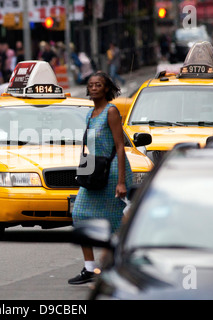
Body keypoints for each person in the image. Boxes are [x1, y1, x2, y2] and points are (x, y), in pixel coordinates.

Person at [68, 72, 133, 285]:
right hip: (96, 170)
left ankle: (118, 266)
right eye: (91, 85)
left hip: (114, 171)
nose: (94, 88)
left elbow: (120, 145)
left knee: (115, 222)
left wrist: (121, 181)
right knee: (79, 213)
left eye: (98, 85)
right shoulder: (90, 114)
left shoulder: (111, 111)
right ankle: (90, 268)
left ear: (106, 89)